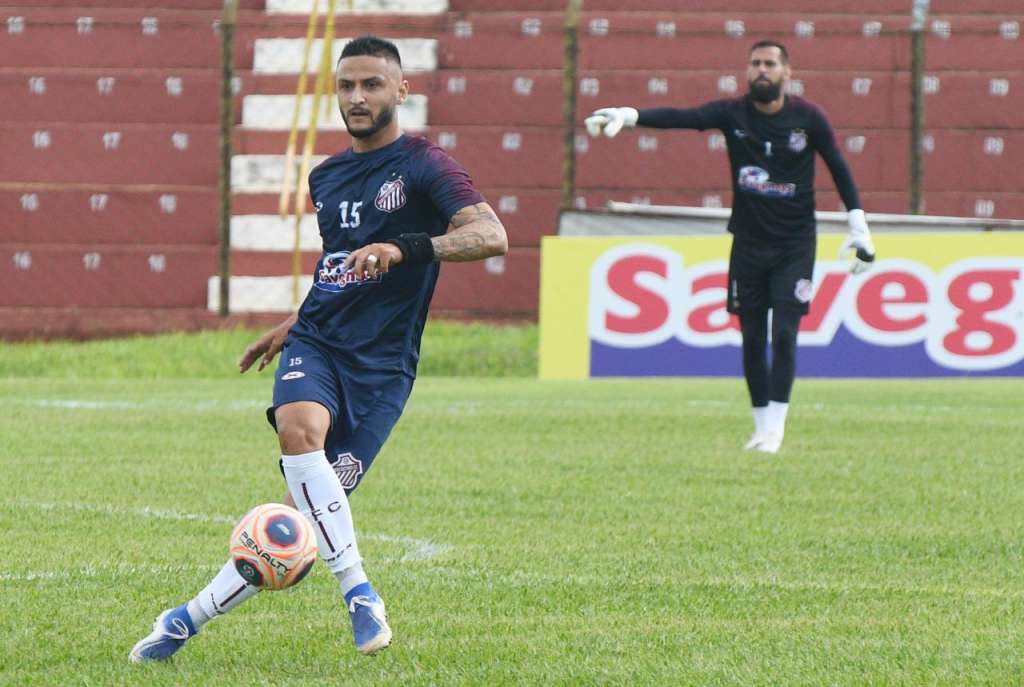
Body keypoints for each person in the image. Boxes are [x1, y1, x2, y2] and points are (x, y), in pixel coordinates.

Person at [130, 35, 507, 662]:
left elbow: (491, 235)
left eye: (372, 85)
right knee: (298, 431)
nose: (357, 98)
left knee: (295, 520)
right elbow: (338, 265)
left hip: (384, 370)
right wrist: (295, 320)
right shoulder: (326, 175)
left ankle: (183, 620)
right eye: (347, 86)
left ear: (402, 90)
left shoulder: (426, 166)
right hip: (319, 341)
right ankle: (359, 592)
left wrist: (407, 247)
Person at [585, 39, 875, 454]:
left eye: (770, 64)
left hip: (795, 245)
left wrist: (859, 228)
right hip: (748, 243)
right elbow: (682, 118)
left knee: (787, 334)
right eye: (755, 63)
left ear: (787, 73)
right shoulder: (732, 113)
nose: (762, 69)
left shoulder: (808, 119)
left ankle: (776, 428)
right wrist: (629, 115)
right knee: (752, 337)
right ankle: (759, 428)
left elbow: (840, 168)